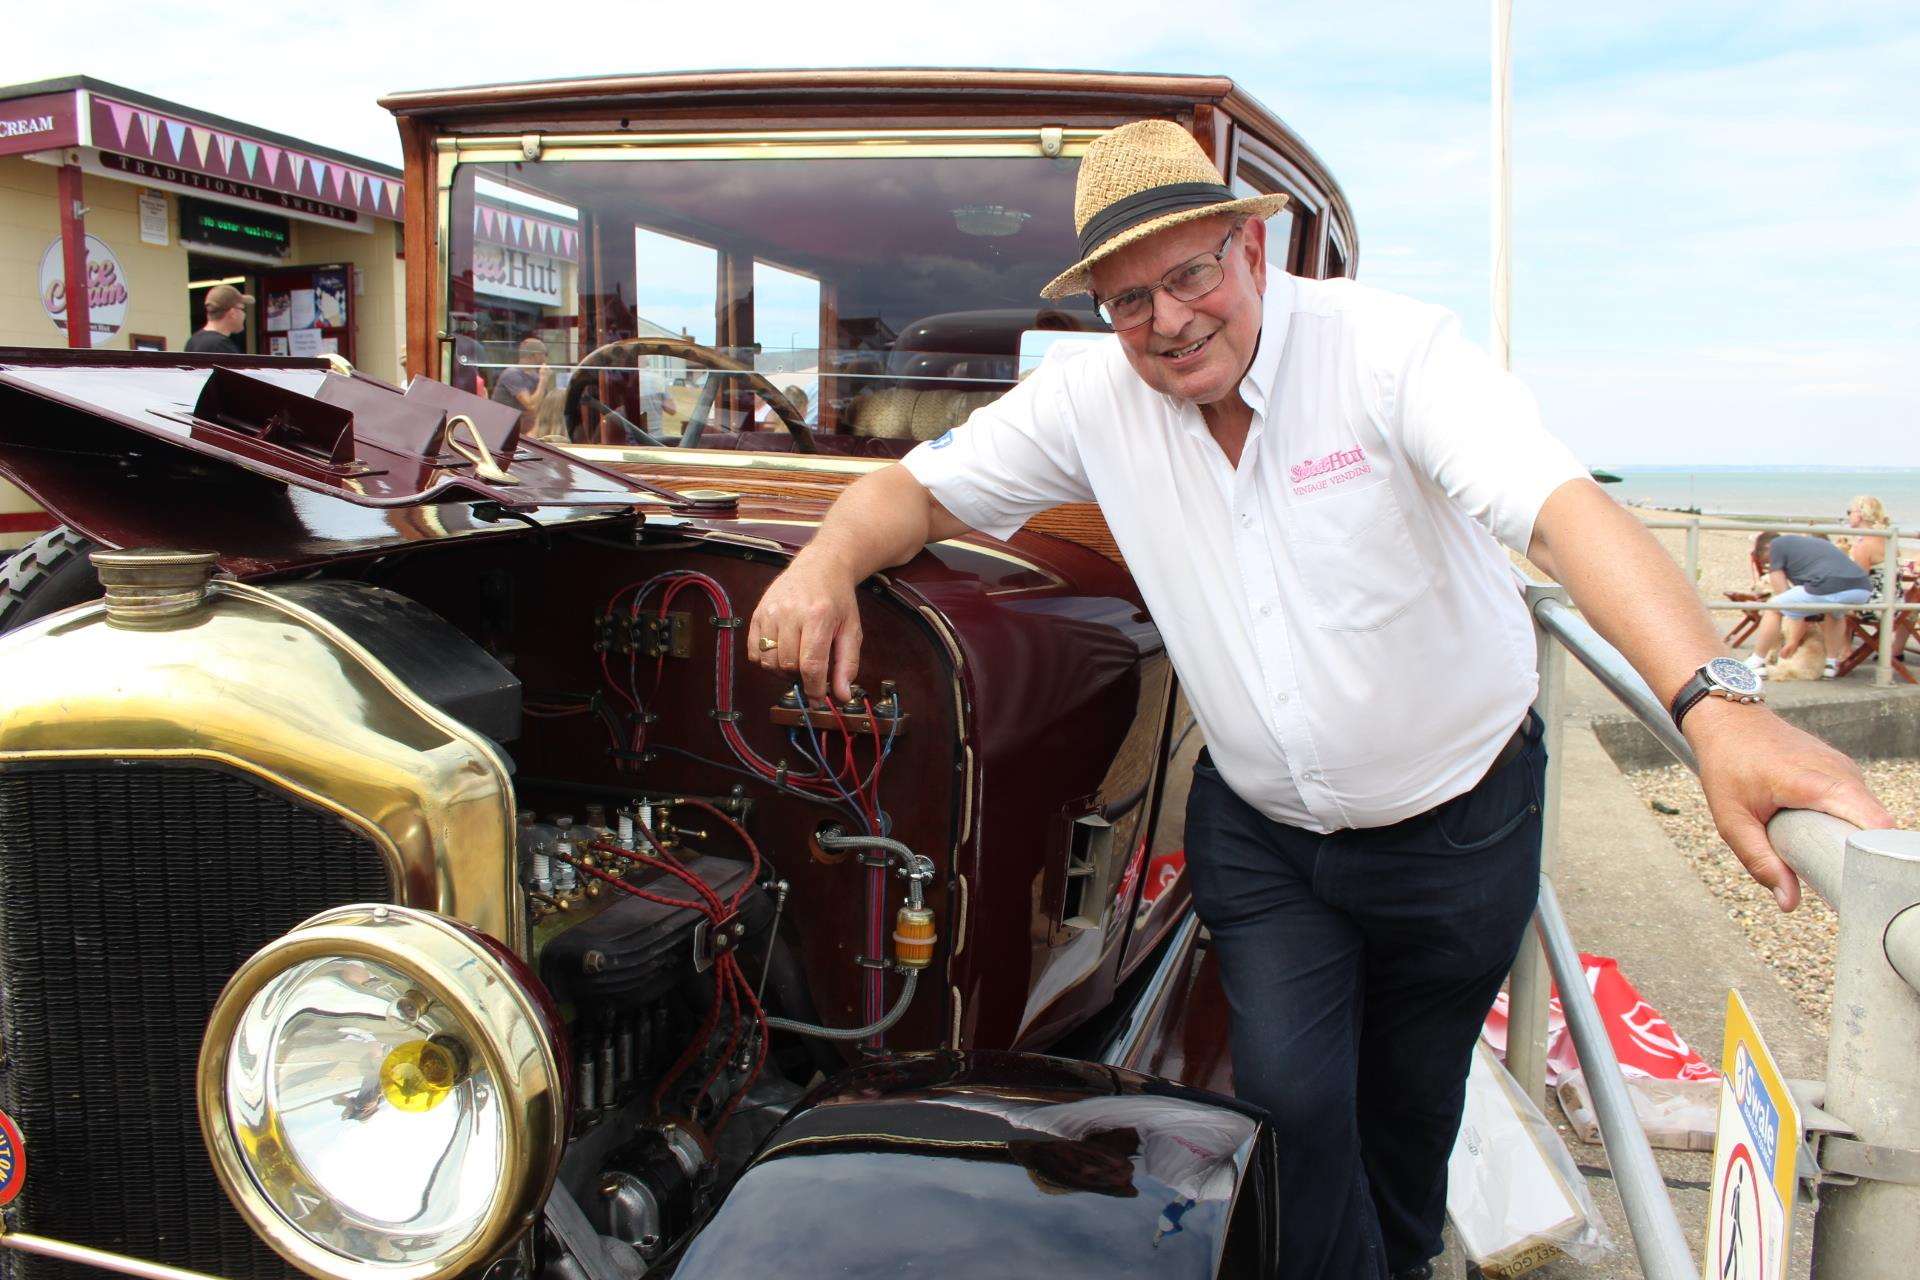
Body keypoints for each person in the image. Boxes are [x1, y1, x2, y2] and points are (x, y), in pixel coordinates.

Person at [743, 120, 1890, 1279]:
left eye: (1190, 274)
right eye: (1128, 300)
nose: (1170, 321)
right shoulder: (1094, 401)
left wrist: (1718, 709)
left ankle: (1394, 1258)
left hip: (1459, 823)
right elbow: (913, 490)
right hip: (1269, 838)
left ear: (1251, 247)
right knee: (1290, 1104)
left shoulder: (1388, 352)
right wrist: (825, 561)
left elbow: (1557, 509)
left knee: (1412, 1099)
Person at [1744, 529, 1876, 679]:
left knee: (1773, 608)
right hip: (1861, 588)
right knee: (1836, 615)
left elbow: (1781, 589)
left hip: (1828, 584)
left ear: (1766, 547)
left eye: (1767, 561)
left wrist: (1788, 610)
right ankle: (1830, 665)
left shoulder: (1776, 544)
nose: (1769, 564)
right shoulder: (1810, 546)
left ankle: (1756, 662)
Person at [490, 336, 551, 434]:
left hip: (523, 428)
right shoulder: (512, 374)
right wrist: (543, 380)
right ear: (535, 355)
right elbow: (531, 405)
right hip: (503, 429)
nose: (546, 358)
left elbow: (543, 406)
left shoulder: (536, 377)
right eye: (545, 354)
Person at [185, 284, 252, 354]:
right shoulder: (220, 346)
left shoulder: (193, 341)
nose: (244, 314)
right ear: (232, 313)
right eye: (242, 309)